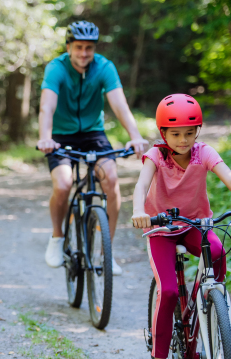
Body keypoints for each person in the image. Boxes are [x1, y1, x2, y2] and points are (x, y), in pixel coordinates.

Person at [131, 93, 231, 359]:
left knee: (218, 251)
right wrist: (139, 211)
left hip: (196, 224)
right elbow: (142, 184)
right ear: (163, 134)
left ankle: (211, 310)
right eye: (176, 134)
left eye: (190, 133)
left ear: (198, 132)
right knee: (168, 290)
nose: (183, 140)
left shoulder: (203, 153)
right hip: (162, 229)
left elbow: (230, 179)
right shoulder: (156, 156)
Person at [37, 20, 149, 274]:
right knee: (64, 184)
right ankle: (57, 237)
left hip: (93, 134)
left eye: (89, 48)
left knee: (110, 179)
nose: (84, 53)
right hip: (60, 136)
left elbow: (120, 105)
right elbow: (47, 107)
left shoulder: (104, 67)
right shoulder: (56, 68)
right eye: (78, 47)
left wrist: (135, 135)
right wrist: (45, 137)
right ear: (69, 47)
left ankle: (105, 254)